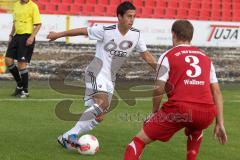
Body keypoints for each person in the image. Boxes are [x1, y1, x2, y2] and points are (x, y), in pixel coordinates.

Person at [47, 1, 157, 149]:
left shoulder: (136, 35)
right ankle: (69, 136)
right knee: (103, 104)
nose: (132, 19)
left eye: (134, 16)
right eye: (129, 16)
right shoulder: (105, 30)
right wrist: (58, 35)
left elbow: (147, 55)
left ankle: (67, 137)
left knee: (99, 117)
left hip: (110, 79)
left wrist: (162, 71)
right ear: (119, 16)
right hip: (96, 72)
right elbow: (82, 31)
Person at [124, 20, 227, 160]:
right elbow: (217, 92)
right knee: (196, 128)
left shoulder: (168, 55)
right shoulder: (205, 58)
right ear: (191, 36)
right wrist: (220, 122)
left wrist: (155, 112)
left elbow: (159, 87)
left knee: (137, 142)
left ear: (174, 34)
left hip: (180, 108)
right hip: (207, 112)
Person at [5, 0, 41, 98]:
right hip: (16, 36)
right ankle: (20, 84)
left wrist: (31, 37)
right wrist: (11, 34)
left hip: (27, 36)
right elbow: (15, 22)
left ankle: (25, 91)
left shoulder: (33, 6)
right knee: (8, 60)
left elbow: (38, 24)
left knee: (21, 64)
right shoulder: (16, 5)